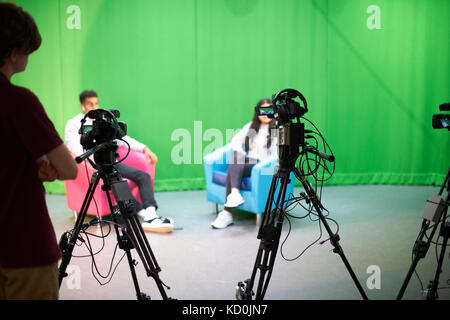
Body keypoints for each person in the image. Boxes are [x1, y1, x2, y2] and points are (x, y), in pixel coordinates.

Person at [0, 3, 78, 299]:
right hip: (23, 244)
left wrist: (29, 167)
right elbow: (69, 169)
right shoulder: (19, 101)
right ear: (12, 53)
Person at [65, 90, 174, 233]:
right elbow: (73, 145)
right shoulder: (74, 123)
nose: (94, 106)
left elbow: (123, 140)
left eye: (96, 103)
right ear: (82, 106)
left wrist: (144, 148)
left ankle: (150, 216)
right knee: (119, 186)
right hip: (92, 165)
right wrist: (90, 159)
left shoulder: (103, 122)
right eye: (90, 104)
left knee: (143, 176)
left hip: (111, 162)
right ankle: (149, 218)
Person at [211, 98, 277, 229]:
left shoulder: (277, 129)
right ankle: (234, 194)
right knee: (236, 156)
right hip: (248, 162)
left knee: (232, 167)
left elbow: (277, 154)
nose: (265, 114)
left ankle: (227, 212)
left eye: (269, 110)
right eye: (262, 110)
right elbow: (236, 140)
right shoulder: (251, 126)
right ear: (257, 112)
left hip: (262, 166)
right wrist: (240, 150)